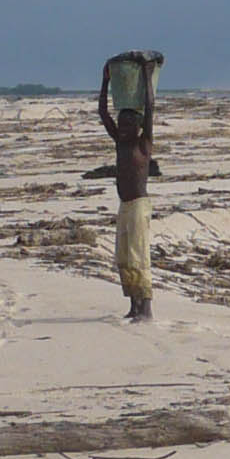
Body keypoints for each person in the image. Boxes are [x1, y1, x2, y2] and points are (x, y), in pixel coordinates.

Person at [96, 62, 157, 321]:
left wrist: (145, 75)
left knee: (139, 256)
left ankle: (146, 308)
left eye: (128, 124)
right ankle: (133, 304)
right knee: (124, 256)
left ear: (139, 127)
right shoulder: (120, 143)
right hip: (124, 205)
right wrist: (105, 81)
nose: (122, 127)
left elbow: (150, 108)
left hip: (139, 205)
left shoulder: (143, 144)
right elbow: (102, 113)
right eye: (121, 123)